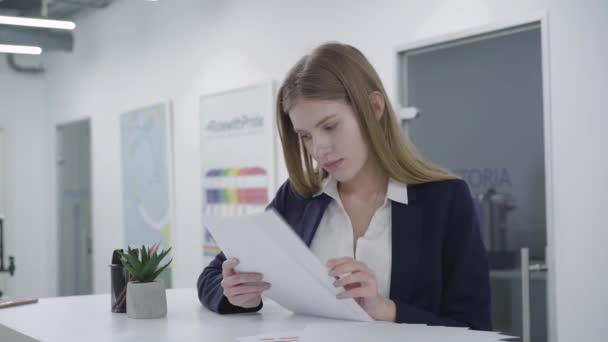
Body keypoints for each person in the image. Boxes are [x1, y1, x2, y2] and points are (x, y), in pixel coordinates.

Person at [197, 42, 492, 330]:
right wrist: (236, 294)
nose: (319, 148)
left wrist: (385, 308)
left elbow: (474, 327)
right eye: (305, 136)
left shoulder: (445, 200)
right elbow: (212, 276)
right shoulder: (299, 197)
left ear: (374, 107)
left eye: (329, 126)